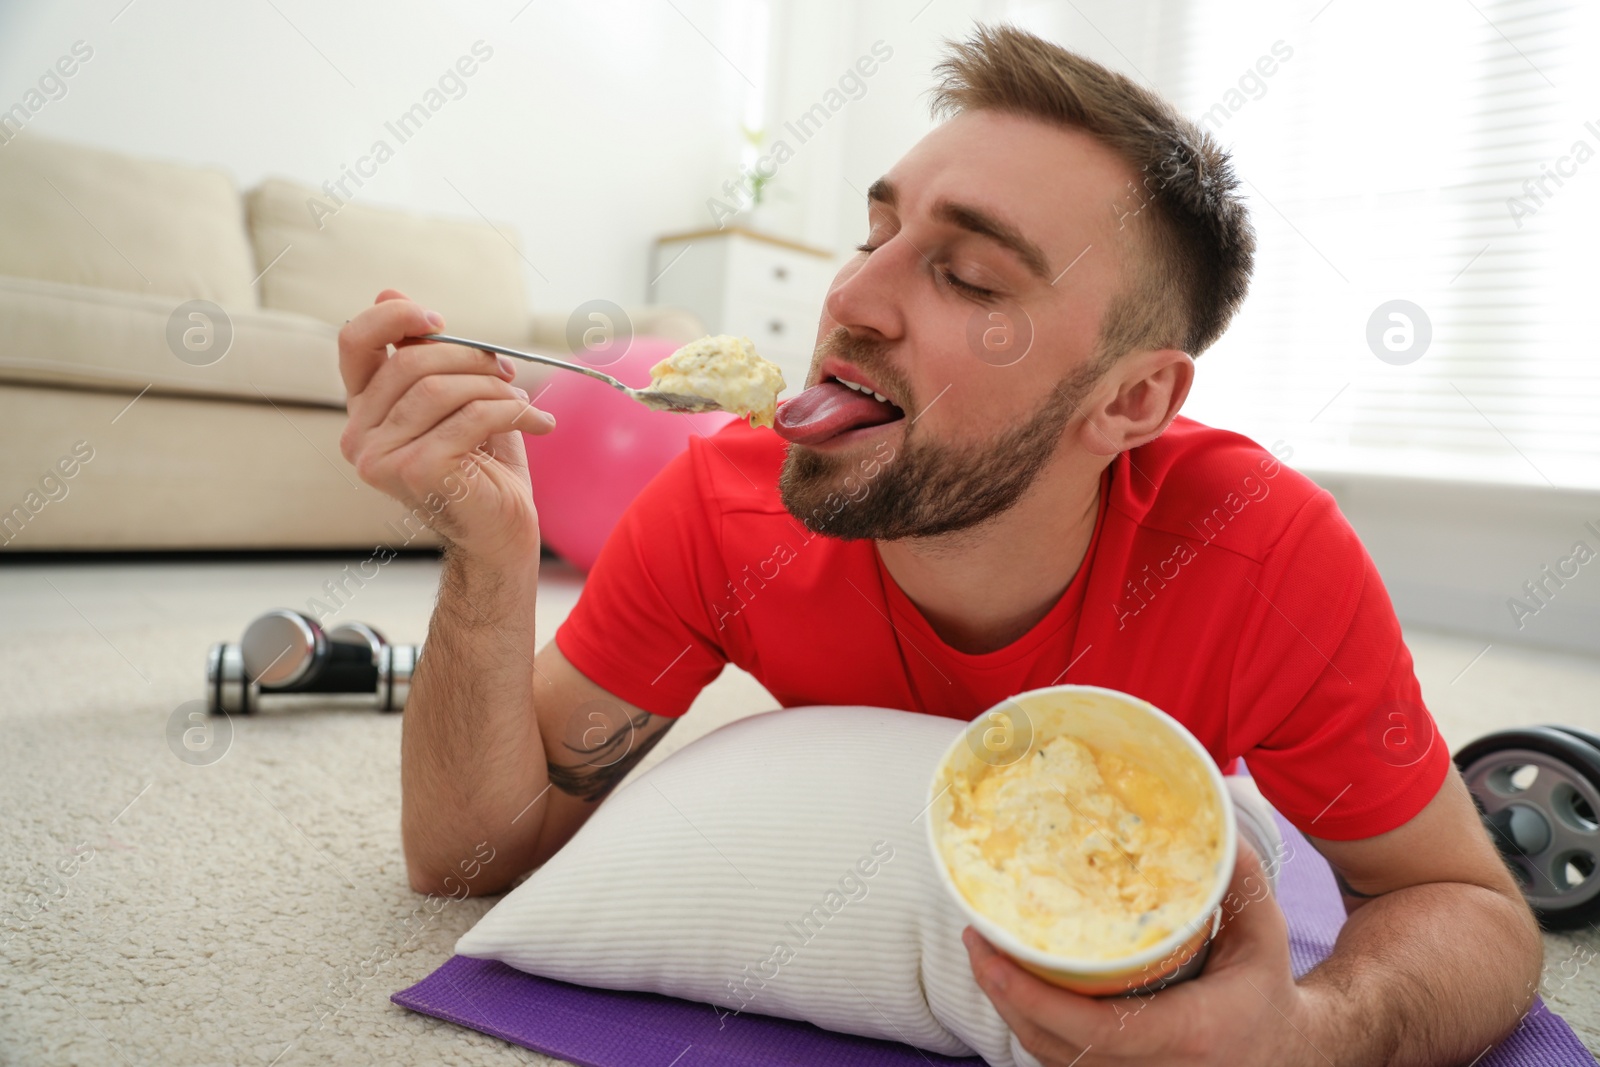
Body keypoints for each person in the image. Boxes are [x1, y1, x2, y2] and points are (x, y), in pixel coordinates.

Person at [336, 25, 1541, 1067]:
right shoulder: (724, 505)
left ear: (1126, 403)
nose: (850, 300)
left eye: (965, 274)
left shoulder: (1258, 556)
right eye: (874, 232)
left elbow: (1465, 902)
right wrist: (490, 556)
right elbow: (468, 857)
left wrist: (1309, 1035)